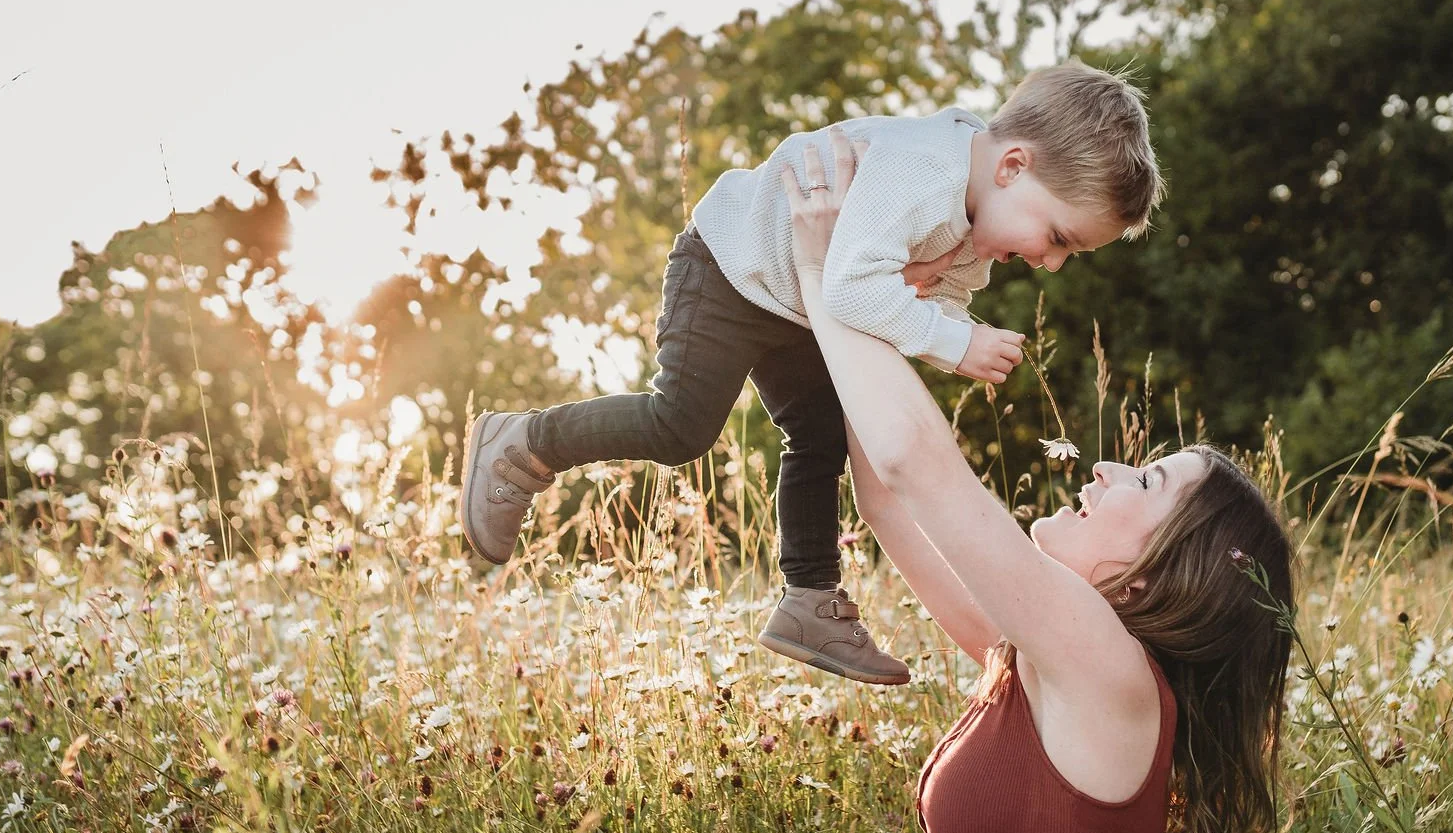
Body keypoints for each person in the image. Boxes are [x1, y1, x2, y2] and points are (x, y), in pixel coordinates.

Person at [0, 131, 1293, 833]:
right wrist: (848, 293)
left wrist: (832, 268)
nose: (1109, 470)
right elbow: (892, 490)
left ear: (1170, 571)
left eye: (1147, 482)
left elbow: (924, 460)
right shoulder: (1047, 672)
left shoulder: (1109, 675)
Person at [459, 63, 1164, 686]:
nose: (1051, 263)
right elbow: (849, 288)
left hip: (796, 304)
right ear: (1012, 165)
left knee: (819, 440)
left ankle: (810, 597)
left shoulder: (976, 224)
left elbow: (923, 297)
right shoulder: (926, 172)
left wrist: (948, 328)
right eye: (1058, 237)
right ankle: (525, 442)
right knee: (680, 426)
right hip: (732, 269)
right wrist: (955, 344)